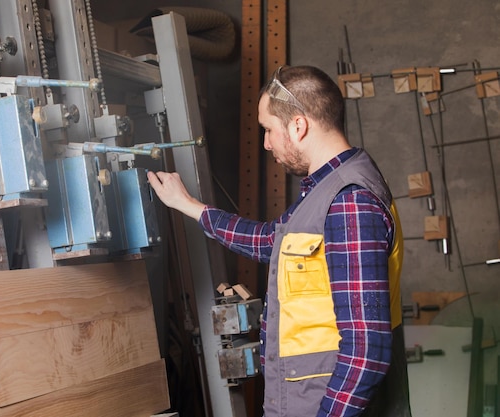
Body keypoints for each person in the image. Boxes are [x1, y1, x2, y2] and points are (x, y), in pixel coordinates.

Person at [147, 65, 411, 417]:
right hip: (303, 397)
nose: (267, 143)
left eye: (269, 130)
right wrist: (190, 207)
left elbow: (366, 353)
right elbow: (272, 240)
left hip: (322, 403)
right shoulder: (326, 190)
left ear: (298, 126)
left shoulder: (349, 202)